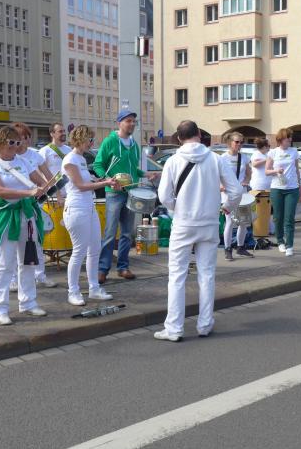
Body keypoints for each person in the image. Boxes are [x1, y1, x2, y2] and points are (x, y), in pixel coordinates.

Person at [154, 120, 243, 342]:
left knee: (177, 276)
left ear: (179, 138)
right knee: (207, 274)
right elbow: (236, 190)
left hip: (183, 223)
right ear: (200, 135)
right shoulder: (215, 159)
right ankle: (205, 324)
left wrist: (177, 208)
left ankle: (174, 329)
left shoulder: (173, 161)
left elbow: (163, 196)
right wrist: (226, 207)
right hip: (209, 223)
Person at [0, 126, 49, 325]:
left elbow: (40, 182)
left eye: (18, 142)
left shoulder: (23, 161)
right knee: (4, 264)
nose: (15, 146)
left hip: (26, 214)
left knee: (28, 260)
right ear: (0, 143)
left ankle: (28, 302)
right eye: (11, 142)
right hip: (4, 217)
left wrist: (48, 186)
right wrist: (28, 193)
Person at [93, 110, 159, 283]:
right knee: (110, 233)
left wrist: (145, 174)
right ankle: (102, 269)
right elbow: (98, 165)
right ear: (119, 123)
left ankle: (123, 267)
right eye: (128, 121)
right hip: (114, 193)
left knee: (127, 233)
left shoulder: (134, 144)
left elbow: (133, 169)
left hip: (131, 193)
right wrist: (107, 180)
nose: (132, 124)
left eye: (134, 121)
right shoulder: (109, 141)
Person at [61, 125, 120, 306]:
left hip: (88, 207)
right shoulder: (70, 159)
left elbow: (87, 181)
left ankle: (94, 288)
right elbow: (80, 186)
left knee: (95, 249)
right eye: (90, 140)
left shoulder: (80, 158)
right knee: (79, 251)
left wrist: (103, 180)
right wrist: (105, 183)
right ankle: (73, 291)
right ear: (80, 139)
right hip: (76, 208)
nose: (92, 143)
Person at [10, 122, 56, 290]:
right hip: (14, 204)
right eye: (23, 137)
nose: (26, 140)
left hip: (34, 203)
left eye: (28, 136)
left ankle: (40, 275)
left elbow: (48, 177)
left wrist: (52, 190)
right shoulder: (8, 158)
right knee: (14, 242)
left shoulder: (34, 156)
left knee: (35, 240)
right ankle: (13, 278)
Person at [265, 128, 301, 256]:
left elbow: (297, 170)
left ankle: (289, 245)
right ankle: (280, 241)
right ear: (280, 139)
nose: (290, 140)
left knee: (289, 218)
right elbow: (267, 171)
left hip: (292, 189)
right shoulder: (273, 152)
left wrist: (300, 186)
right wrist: (276, 171)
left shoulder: (294, 151)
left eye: (290, 138)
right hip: (277, 188)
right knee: (278, 217)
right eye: (287, 138)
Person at [221, 132, 252, 260]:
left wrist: (246, 181)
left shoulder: (244, 157)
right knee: (230, 221)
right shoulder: (223, 158)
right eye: (237, 142)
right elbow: (217, 175)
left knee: (243, 221)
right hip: (228, 194)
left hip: (242, 192)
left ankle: (240, 247)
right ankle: (227, 249)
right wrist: (221, 186)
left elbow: (249, 173)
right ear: (230, 142)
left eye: (241, 142)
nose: (239, 144)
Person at [249, 137, 274, 233]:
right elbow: (255, 164)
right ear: (264, 147)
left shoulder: (267, 154)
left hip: (268, 185)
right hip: (258, 185)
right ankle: (259, 229)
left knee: (267, 208)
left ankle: (269, 228)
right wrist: (266, 160)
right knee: (259, 209)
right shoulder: (256, 154)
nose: (269, 148)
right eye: (268, 146)